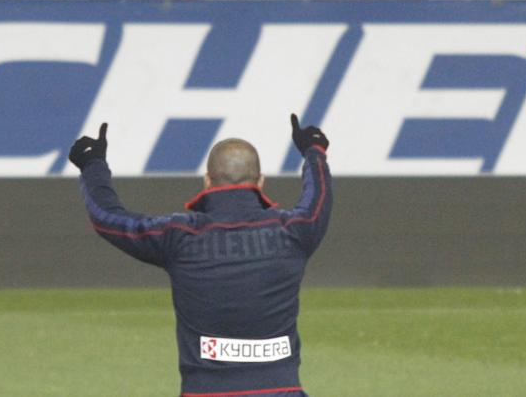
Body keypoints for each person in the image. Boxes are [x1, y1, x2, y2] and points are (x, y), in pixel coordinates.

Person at [71, 114, 332, 397]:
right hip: (283, 390)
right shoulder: (294, 232)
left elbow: (108, 218)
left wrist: (92, 165)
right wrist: (314, 151)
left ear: (207, 181)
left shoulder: (178, 235)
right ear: (261, 181)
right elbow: (317, 198)